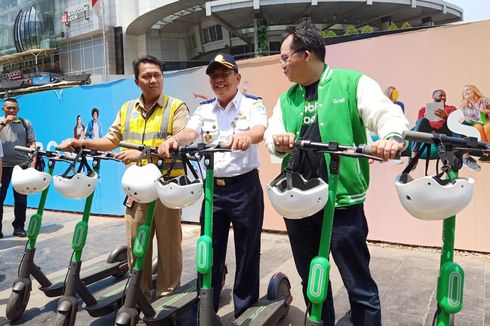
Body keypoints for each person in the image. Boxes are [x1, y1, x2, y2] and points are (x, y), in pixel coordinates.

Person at [264, 22, 408, 326]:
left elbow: (384, 113)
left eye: (284, 57)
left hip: (342, 203)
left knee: (358, 284)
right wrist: (278, 141)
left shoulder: (352, 83)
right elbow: (272, 134)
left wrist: (391, 137)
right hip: (298, 202)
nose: (282, 65)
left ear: (305, 55)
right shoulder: (287, 98)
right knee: (312, 282)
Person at [59, 55, 190, 299]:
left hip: (167, 189)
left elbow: (181, 138)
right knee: (136, 247)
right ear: (136, 81)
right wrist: (82, 142)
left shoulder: (176, 107)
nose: (153, 80)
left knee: (170, 247)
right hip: (137, 189)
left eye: (157, 75)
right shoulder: (127, 109)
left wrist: (141, 153)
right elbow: (111, 139)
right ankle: (137, 297)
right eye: (147, 76)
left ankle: (166, 299)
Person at [158, 53, 267, 319]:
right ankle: (205, 307)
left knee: (247, 250)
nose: (219, 80)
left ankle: (244, 310)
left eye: (225, 74)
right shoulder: (205, 108)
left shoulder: (252, 104)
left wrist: (246, 136)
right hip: (213, 190)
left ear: (238, 78)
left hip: (245, 188)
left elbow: (260, 130)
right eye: (214, 76)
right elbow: (190, 132)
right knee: (209, 247)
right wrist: (174, 140)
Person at [0, 98, 37, 238]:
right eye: (8, 108)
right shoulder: (0, 122)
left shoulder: (25, 123)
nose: (11, 110)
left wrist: (32, 163)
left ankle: (19, 227)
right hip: (2, 167)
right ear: (3, 108)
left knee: (21, 200)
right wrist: (5, 122)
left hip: (21, 166)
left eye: (14, 108)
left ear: (18, 110)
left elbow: (32, 143)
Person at [460, 85, 490, 155]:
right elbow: (466, 119)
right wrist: (464, 120)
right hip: (475, 124)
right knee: (477, 127)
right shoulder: (464, 107)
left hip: (488, 121)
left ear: (474, 91)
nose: (465, 92)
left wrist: (487, 111)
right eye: (464, 91)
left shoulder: (485, 100)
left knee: (487, 127)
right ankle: (485, 151)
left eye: (467, 90)